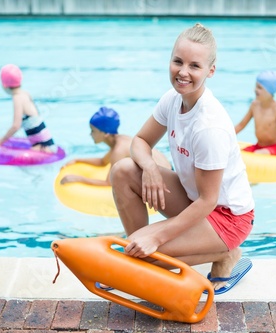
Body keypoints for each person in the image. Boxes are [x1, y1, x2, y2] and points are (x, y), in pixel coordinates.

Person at [109, 23, 255, 294]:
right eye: (178, 61)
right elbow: (140, 142)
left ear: (211, 70)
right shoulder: (172, 99)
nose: (183, 72)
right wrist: (150, 166)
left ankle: (226, 254)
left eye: (194, 66)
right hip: (193, 199)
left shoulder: (209, 127)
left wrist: (157, 236)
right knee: (123, 171)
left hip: (226, 217)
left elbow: (208, 200)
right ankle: (141, 254)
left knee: (137, 254)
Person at [60, 106, 171, 186]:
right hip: (168, 170)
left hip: (164, 181)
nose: (90, 134)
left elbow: (109, 183)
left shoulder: (119, 150)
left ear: (106, 134)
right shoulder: (120, 139)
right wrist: (77, 160)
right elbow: (103, 162)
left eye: (93, 131)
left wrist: (78, 178)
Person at [0, 64, 57, 153]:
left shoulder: (17, 98)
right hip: (48, 144)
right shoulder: (25, 93)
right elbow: (30, 121)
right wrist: (3, 138)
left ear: (4, 85)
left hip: (43, 147)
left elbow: (16, 126)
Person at [234, 70, 276, 162]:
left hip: (275, 148)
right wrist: (226, 136)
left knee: (258, 154)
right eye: (256, 86)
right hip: (258, 146)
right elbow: (241, 125)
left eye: (259, 87)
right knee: (236, 154)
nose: (255, 90)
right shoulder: (254, 105)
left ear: (269, 91)